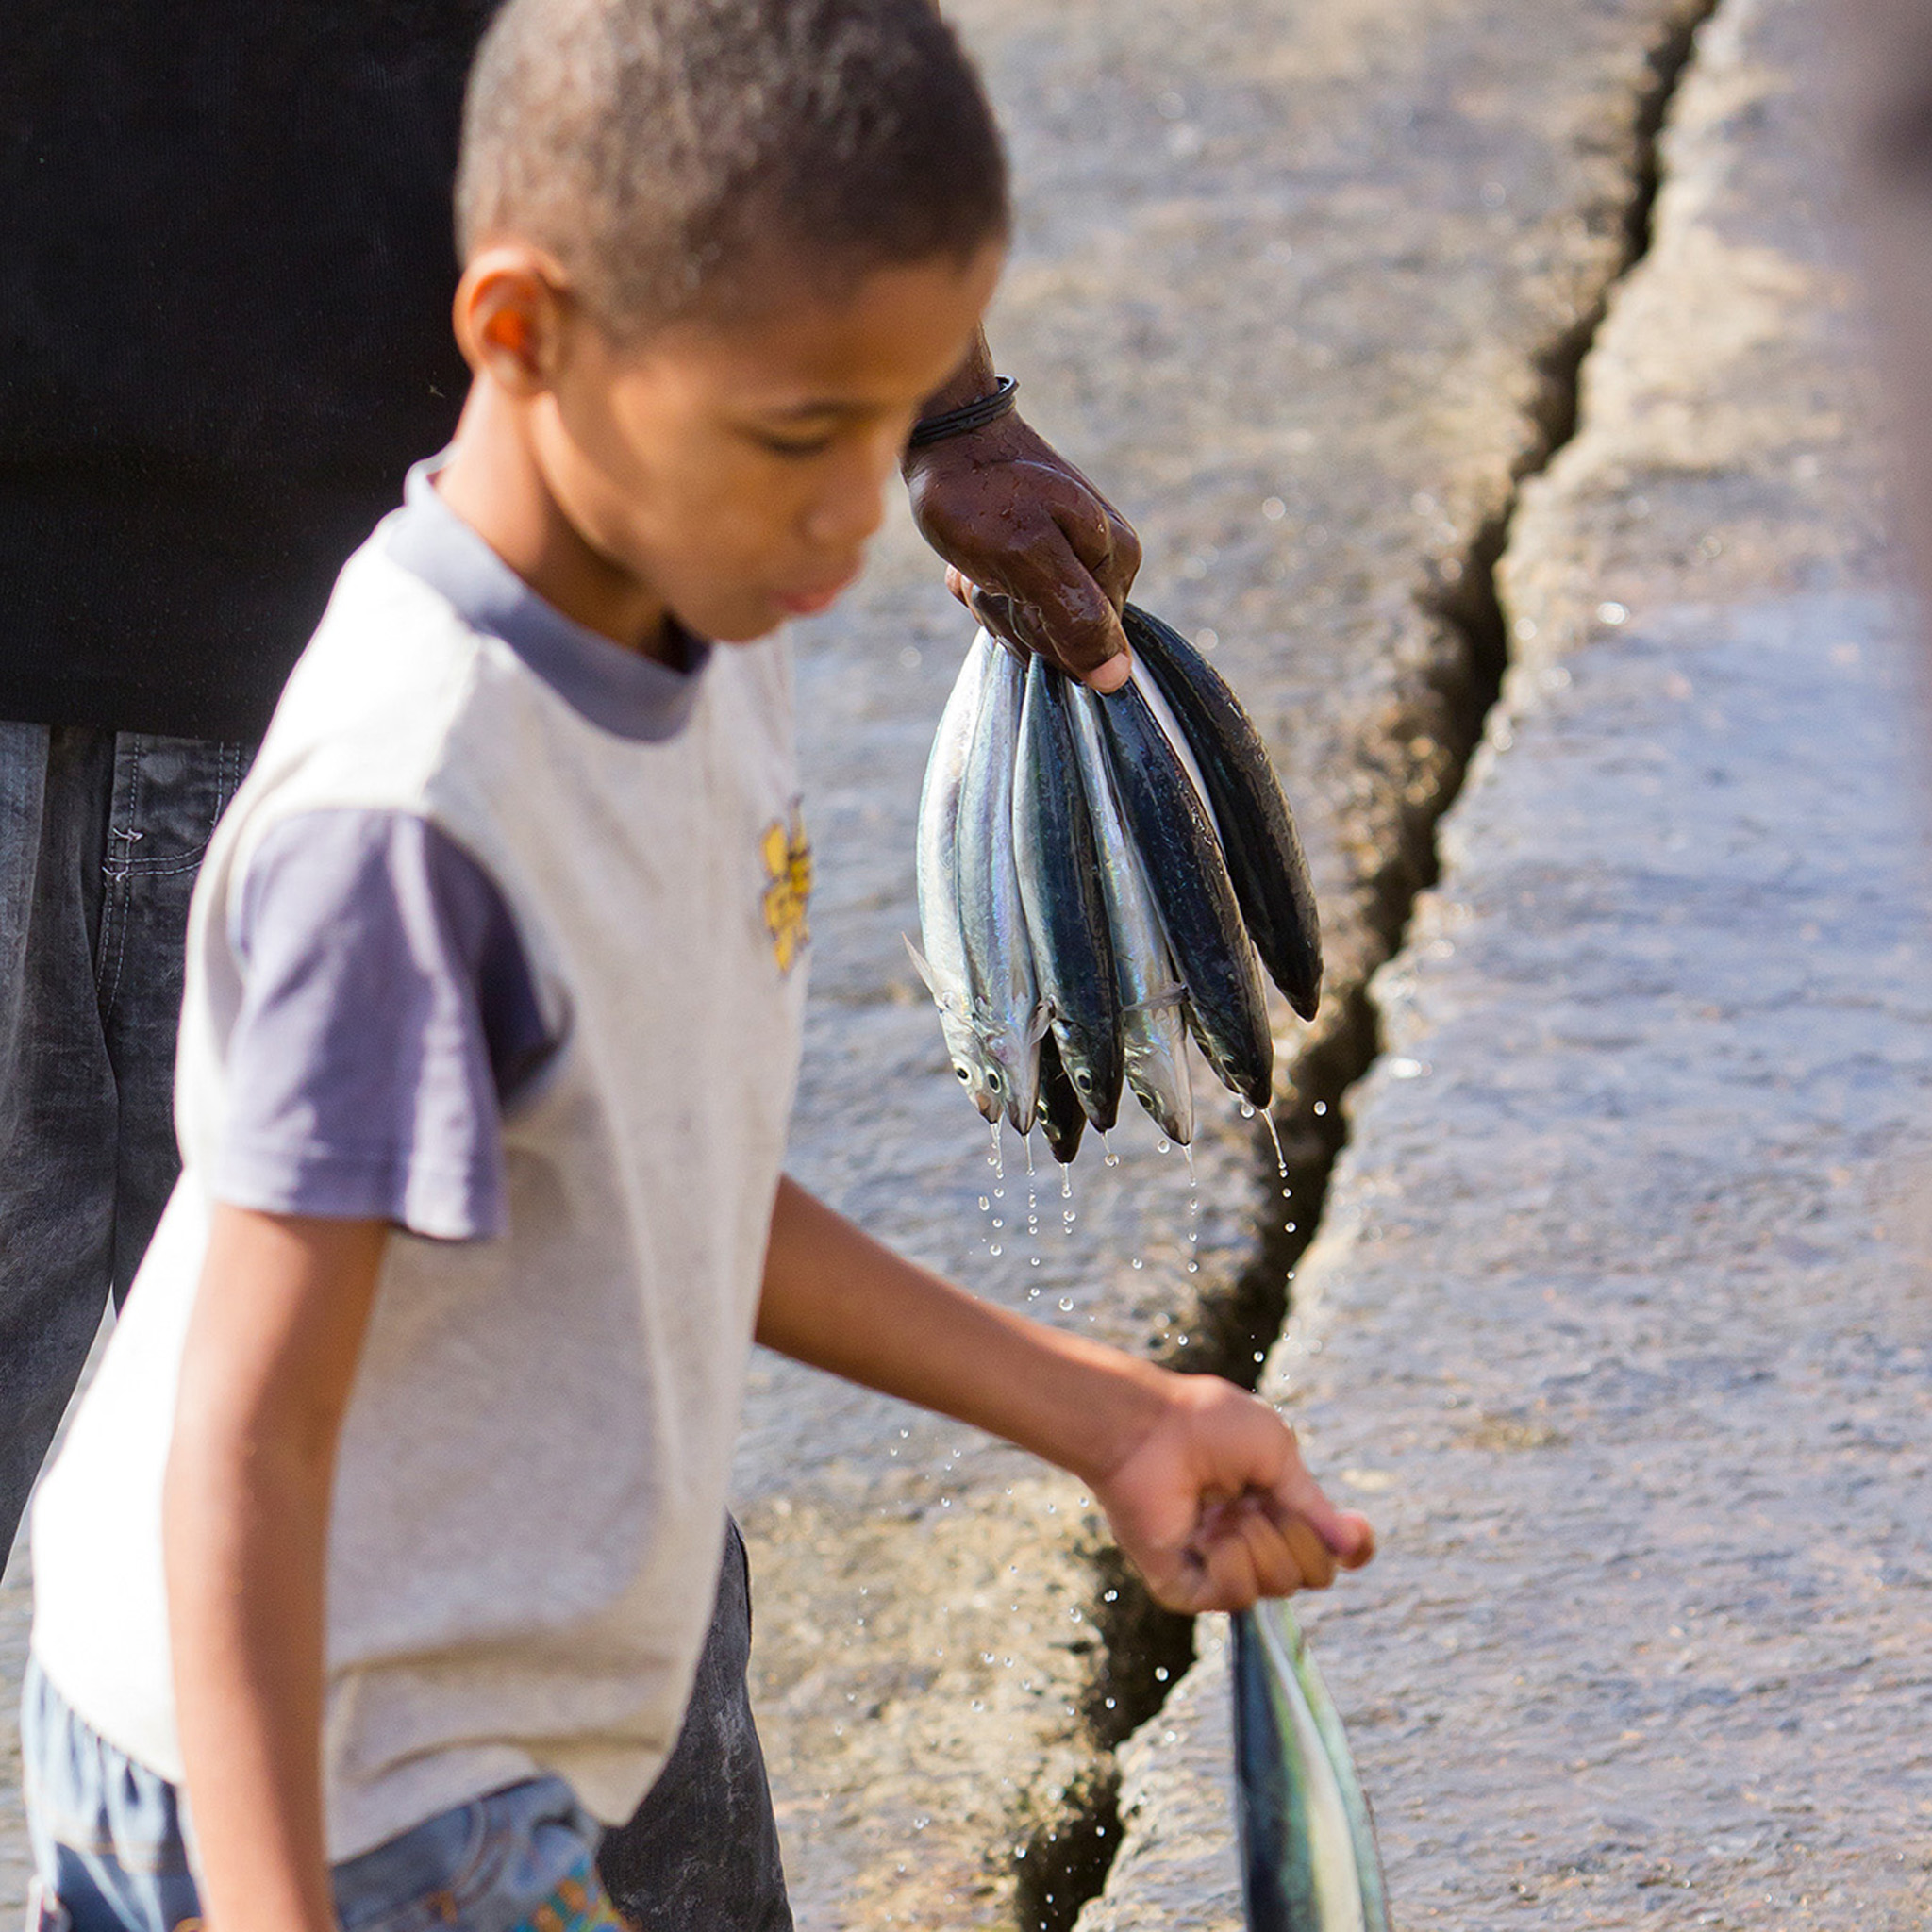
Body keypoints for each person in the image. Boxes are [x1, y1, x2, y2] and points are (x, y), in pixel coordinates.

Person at [18, 1, 1373, 1927]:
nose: (843, 533)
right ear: (521, 334)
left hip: (485, 1729)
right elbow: (244, 1452)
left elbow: (647, 1171)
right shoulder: (409, 826)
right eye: (796, 439)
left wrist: (1110, 1413)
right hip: (307, 1807)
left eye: (882, 431)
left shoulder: (696, 627)